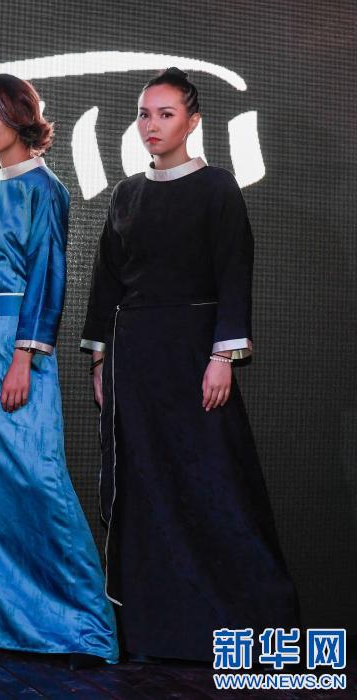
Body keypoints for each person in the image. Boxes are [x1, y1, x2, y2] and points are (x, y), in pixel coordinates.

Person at [81, 68, 299, 662]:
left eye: (166, 114)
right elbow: (106, 281)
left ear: (193, 120)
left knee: (216, 486)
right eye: (144, 114)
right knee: (144, 489)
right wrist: (99, 359)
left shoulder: (218, 187)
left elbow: (233, 272)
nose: (151, 125)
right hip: (134, 361)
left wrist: (223, 356)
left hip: (196, 357)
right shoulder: (127, 193)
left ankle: (249, 628)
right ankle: (157, 631)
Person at [0, 75, 119, 667]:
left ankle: (82, 625)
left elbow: (47, 277)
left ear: (19, 115)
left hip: (14, 345)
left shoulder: (45, 188)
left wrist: (23, 358)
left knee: (37, 478)